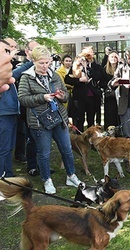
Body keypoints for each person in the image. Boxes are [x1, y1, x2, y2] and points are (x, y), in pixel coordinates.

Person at [18, 45, 82, 194]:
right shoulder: (26, 77)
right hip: (39, 121)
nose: (45, 66)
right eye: (41, 63)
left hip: (58, 118)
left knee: (67, 150)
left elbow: (66, 94)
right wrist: (43, 97)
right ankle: (47, 180)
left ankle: (71, 175)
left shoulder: (54, 75)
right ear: (33, 61)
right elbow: (22, 99)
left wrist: (62, 96)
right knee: (44, 153)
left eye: (47, 62)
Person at [12, 40, 41, 176]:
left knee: (40, 138)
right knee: (29, 137)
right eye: (36, 49)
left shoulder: (43, 66)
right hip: (25, 107)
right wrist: (33, 62)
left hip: (40, 106)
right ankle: (31, 165)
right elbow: (14, 75)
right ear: (28, 52)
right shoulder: (22, 65)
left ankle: (40, 164)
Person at [65, 46, 104, 132]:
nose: (88, 57)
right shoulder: (76, 66)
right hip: (79, 97)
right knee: (79, 119)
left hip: (92, 97)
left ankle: (91, 138)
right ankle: (79, 139)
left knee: (91, 120)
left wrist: (87, 67)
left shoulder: (96, 66)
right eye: (86, 55)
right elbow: (67, 79)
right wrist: (79, 80)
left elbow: (98, 76)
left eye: (90, 54)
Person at [0, 39, 18, 178]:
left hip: (12, 113)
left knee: (9, 148)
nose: (11, 52)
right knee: (4, 149)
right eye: (8, 50)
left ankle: (8, 176)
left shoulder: (8, 72)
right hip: (3, 114)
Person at [100, 50, 121, 130]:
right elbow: (101, 83)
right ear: (108, 58)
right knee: (110, 114)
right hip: (109, 95)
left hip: (120, 94)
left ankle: (119, 131)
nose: (114, 58)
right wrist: (111, 85)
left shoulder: (121, 68)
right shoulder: (104, 69)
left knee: (119, 113)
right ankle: (109, 131)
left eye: (115, 57)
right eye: (112, 57)